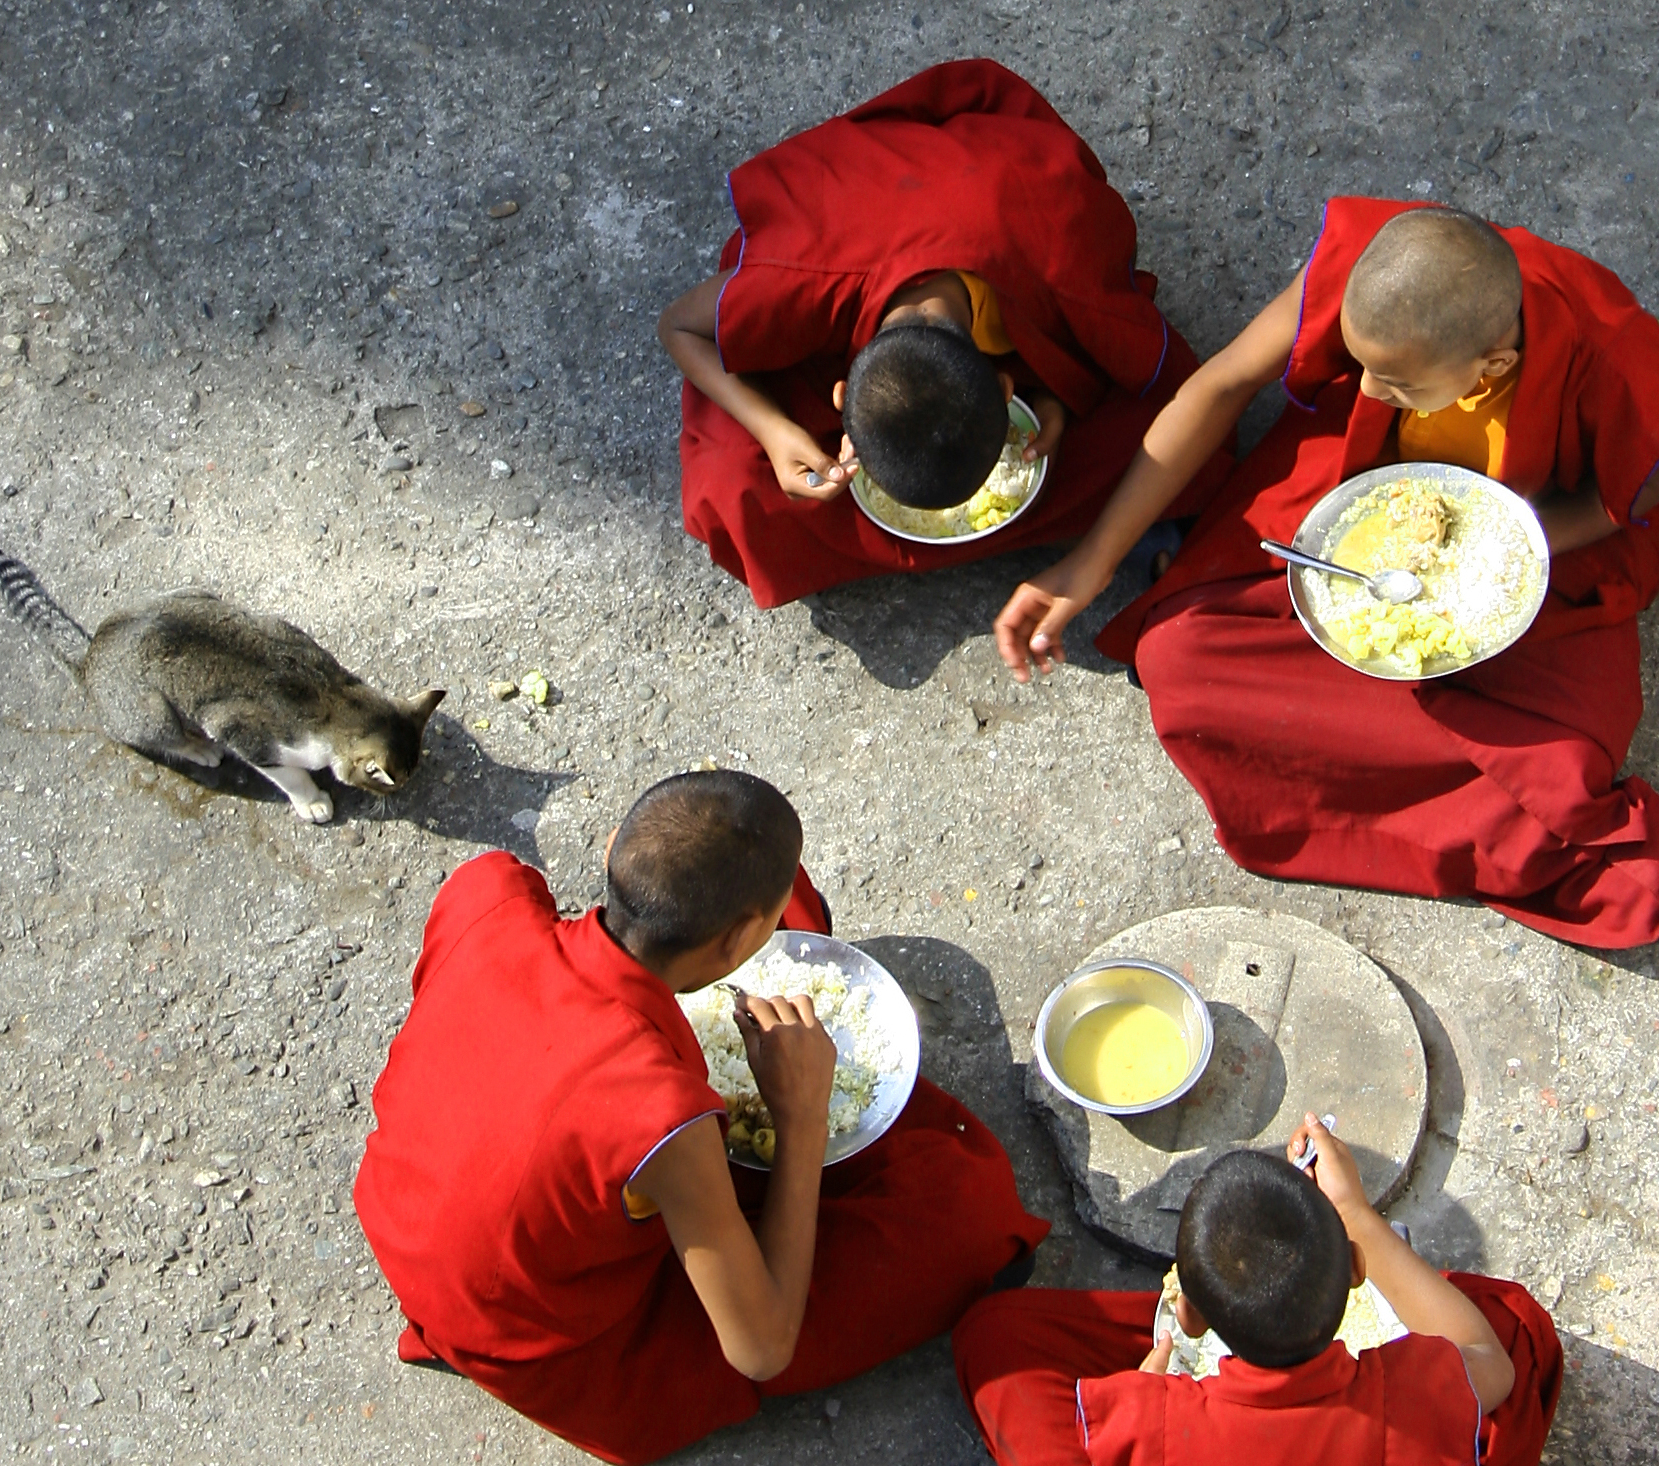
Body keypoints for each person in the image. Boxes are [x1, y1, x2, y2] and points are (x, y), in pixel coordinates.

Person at [995, 199, 1659, 946]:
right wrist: (1090, 561)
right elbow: (1218, 387)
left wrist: (1481, 550)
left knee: (1569, 761)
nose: (1368, 391)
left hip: (1532, 538)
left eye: (1397, 386)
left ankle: (1511, 808)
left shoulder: (1614, 357)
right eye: (1361, 365)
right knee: (1177, 660)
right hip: (1368, 478)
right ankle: (1458, 769)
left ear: (1494, 367)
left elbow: (1615, 503)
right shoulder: (1365, 271)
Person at [354, 770, 1047, 1465]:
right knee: (966, 1213)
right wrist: (801, 1116)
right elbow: (761, 1348)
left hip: (419, 1222)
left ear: (610, 853)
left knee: (787, 887)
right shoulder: (659, 1116)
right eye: (761, 929)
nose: (769, 932)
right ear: (743, 933)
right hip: (548, 1337)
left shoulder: (488, 891)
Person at [660, 58, 1232, 609]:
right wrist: (773, 430)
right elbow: (678, 326)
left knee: (1185, 428)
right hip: (834, 226)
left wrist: (1053, 398)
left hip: (996, 189)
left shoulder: (1057, 265)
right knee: (730, 491)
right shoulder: (797, 283)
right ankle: (1119, 525)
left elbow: (1154, 353)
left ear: (1011, 391)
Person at [954, 1115, 1562, 1466]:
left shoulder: (1151, 1417)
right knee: (1502, 1320)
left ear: (1187, 1315)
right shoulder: (1408, 1391)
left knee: (991, 1334)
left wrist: (1145, 1384)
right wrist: (1354, 1211)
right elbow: (1495, 1368)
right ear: (1355, 1271)